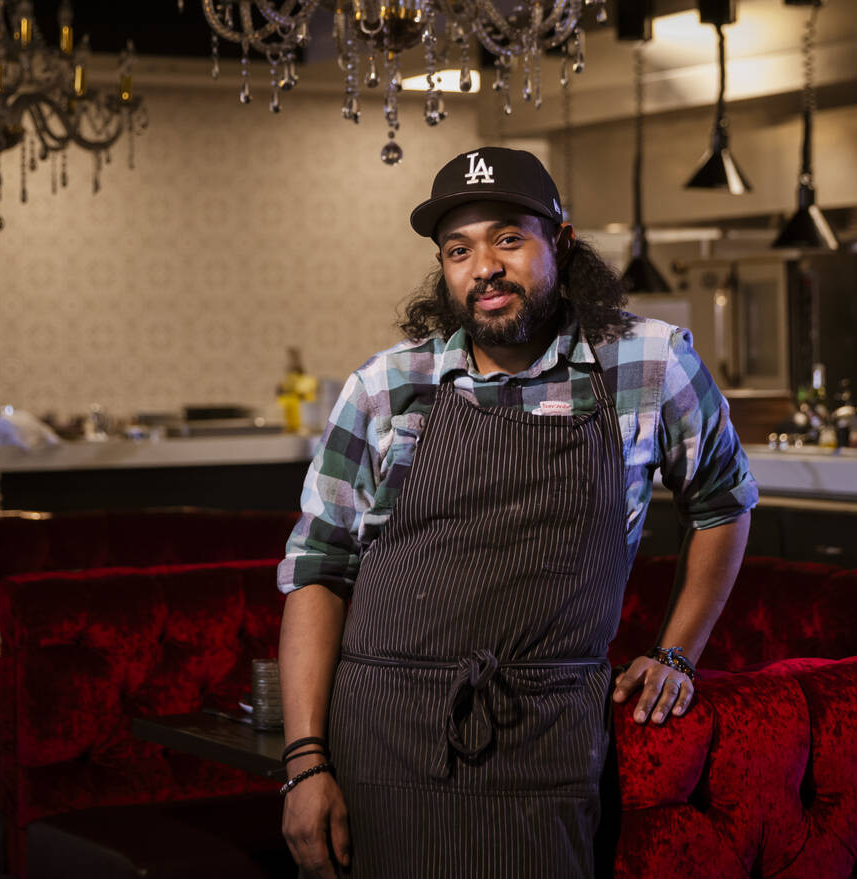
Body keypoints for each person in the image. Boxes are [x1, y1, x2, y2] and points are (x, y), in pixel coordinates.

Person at [275, 146, 757, 878]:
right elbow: (318, 569)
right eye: (459, 249)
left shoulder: (649, 364)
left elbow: (723, 502)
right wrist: (305, 762)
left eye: (508, 238)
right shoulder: (386, 387)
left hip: (549, 740)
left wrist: (677, 651)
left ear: (560, 240)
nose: (484, 267)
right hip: (382, 742)